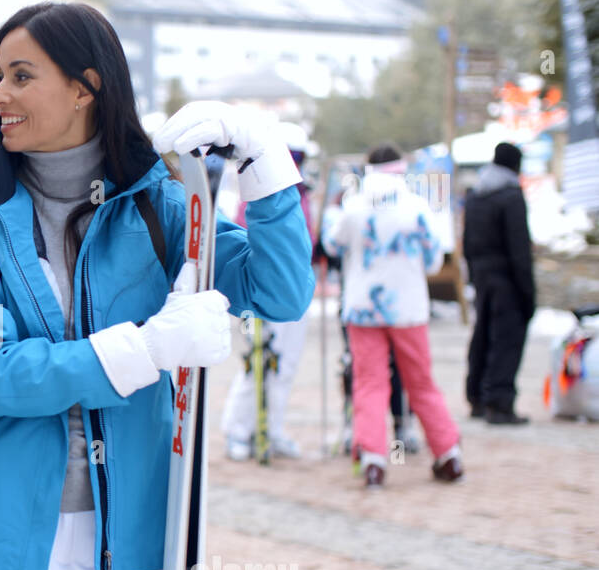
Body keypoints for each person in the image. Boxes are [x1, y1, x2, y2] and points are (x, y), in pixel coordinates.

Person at [0, 2, 313, 570]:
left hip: (130, 539)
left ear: (84, 87)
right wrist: (146, 349)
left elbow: (279, 291)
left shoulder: (160, 207)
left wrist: (264, 160)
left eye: (20, 75)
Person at [322, 144, 463, 488]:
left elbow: (332, 246)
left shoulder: (353, 206)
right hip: (409, 308)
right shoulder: (417, 207)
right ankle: (447, 454)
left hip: (362, 307)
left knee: (369, 382)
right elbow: (432, 261)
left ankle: (373, 459)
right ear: (401, 171)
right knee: (421, 382)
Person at [221, 122, 314, 460]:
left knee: (285, 365)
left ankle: (271, 429)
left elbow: (307, 242)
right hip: (259, 290)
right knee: (257, 364)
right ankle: (238, 429)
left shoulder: (301, 194)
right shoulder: (258, 189)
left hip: (295, 291)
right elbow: (244, 236)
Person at [463, 141, 534, 425]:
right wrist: (528, 292)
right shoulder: (511, 197)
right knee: (506, 341)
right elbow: (520, 250)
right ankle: (499, 403)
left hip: (482, 277)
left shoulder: (477, 195)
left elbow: (467, 243)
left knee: (482, 335)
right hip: (507, 280)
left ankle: (477, 396)